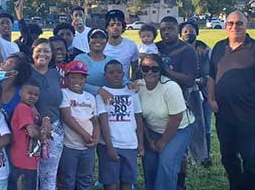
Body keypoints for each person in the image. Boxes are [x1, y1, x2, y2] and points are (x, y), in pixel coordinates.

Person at [208, 11, 255, 190]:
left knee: (250, 159)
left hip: (251, 116)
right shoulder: (218, 47)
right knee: (228, 157)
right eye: (230, 23)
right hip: (224, 115)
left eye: (239, 23)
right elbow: (210, 77)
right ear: (225, 26)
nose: (234, 27)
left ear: (246, 25)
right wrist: (211, 98)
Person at [137, 54, 194, 190]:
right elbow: (139, 117)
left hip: (179, 128)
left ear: (161, 69)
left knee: (166, 162)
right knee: (149, 162)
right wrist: (149, 140)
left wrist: (163, 142)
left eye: (154, 69)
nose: (149, 72)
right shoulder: (138, 87)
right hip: (152, 129)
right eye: (145, 68)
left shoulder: (170, 87)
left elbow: (176, 118)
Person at [156, 16, 197, 189]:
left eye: (170, 28)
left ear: (177, 30)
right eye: (163, 29)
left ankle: (180, 183)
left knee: (179, 155)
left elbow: (189, 79)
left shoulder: (187, 50)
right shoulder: (156, 47)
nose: (166, 32)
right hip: (155, 103)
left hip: (179, 103)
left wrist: (165, 71)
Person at [97, 60, 144, 190]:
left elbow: (138, 118)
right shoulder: (102, 94)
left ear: (124, 73)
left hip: (130, 144)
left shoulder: (131, 92)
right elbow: (103, 121)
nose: (115, 75)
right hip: (109, 145)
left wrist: (140, 144)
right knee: (110, 182)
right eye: (111, 72)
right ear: (105, 75)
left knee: (127, 181)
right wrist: (109, 146)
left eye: (119, 72)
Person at [58, 60, 100, 190]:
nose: (77, 80)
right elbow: (67, 118)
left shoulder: (90, 97)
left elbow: (95, 120)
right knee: (67, 179)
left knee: (85, 178)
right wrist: (85, 135)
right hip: (70, 146)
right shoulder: (64, 93)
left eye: (81, 77)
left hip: (88, 147)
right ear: (66, 77)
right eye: (73, 77)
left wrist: (96, 139)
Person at [30, 38, 64, 190]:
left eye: (46, 51)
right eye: (38, 51)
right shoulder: (26, 72)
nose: (42, 54)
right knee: (31, 174)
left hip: (54, 130)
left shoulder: (55, 74)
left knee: (49, 174)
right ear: (32, 53)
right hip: (30, 130)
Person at [179, 21, 212, 166]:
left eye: (191, 31)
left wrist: (201, 80)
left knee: (205, 124)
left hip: (204, 93)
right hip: (184, 93)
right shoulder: (178, 50)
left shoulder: (205, 50)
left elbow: (212, 72)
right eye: (185, 31)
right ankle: (185, 155)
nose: (188, 34)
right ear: (180, 34)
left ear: (197, 33)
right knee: (185, 124)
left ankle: (205, 156)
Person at [8, 80, 47, 190]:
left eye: (36, 95)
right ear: (20, 93)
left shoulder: (33, 109)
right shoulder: (22, 108)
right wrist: (43, 133)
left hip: (30, 160)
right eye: (29, 93)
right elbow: (32, 132)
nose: (32, 97)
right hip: (22, 160)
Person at [74, 28, 114, 101]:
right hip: (84, 102)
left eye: (102, 37)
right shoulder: (79, 59)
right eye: (94, 37)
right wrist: (98, 90)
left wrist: (129, 84)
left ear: (106, 41)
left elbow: (121, 79)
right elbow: (75, 82)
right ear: (89, 41)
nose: (98, 40)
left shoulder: (112, 61)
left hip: (107, 101)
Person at [103, 10, 139, 79]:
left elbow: (135, 69)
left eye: (119, 24)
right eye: (112, 25)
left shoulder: (131, 45)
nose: (115, 27)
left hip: (124, 87)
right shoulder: (101, 46)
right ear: (106, 28)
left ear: (123, 27)